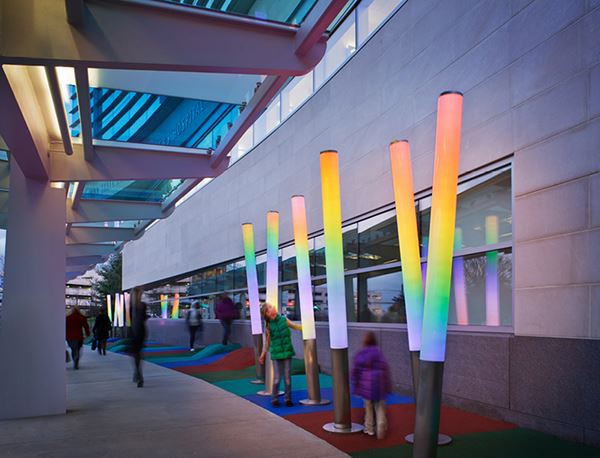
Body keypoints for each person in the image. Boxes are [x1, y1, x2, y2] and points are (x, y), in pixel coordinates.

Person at [258, 303, 301, 408]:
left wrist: (307, 327)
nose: (274, 308)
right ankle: (274, 399)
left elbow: (295, 326)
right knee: (277, 379)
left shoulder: (283, 319)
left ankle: (288, 399)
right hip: (276, 354)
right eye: (271, 308)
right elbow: (267, 343)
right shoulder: (268, 326)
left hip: (287, 352)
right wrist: (263, 354)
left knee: (287, 379)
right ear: (267, 313)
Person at [351, 331, 391, 439]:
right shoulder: (379, 353)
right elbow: (385, 368)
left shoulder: (361, 353)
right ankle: (381, 423)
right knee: (380, 406)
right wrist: (387, 385)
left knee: (368, 407)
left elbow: (355, 371)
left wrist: (356, 385)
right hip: (379, 383)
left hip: (366, 385)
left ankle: (369, 429)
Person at [131, 301, 148, 388]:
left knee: (136, 355)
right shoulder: (141, 307)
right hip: (140, 332)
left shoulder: (135, 307)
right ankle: (137, 374)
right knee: (137, 355)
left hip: (137, 333)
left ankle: (138, 375)